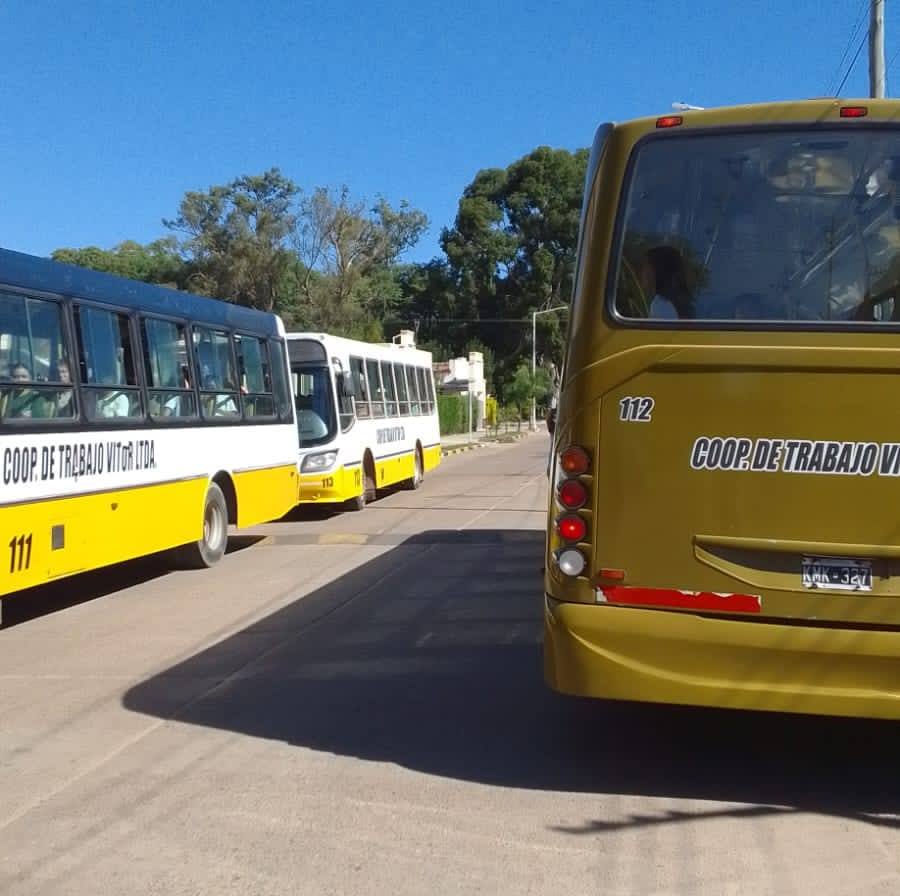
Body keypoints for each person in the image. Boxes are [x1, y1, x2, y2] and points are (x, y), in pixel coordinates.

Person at [641, 246, 694, 320]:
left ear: (657, 271)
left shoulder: (661, 305)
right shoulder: (681, 302)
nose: (643, 272)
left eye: (646, 266)